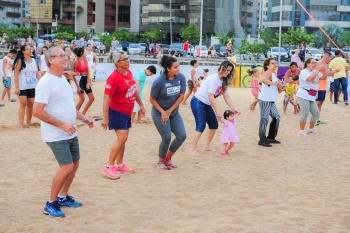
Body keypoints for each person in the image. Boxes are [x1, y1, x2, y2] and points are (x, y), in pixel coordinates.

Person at [33, 46, 94, 218]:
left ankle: (63, 197)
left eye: (64, 55)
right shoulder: (46, 82)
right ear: (50, 60)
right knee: (66, 166)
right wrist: (62, 125)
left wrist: (84, 117)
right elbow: (37, 111)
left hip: (70, 131)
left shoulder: (63, 78)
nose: (65, 58)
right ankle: (50, 203)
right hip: (56, 134)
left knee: (74, 165)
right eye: (60, 56)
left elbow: (67, 107)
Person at [101, 52, 145, 179]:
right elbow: (106, 97)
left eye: (128, 58)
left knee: (124, 139)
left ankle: (120, 165)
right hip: (117, 111)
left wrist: (141, 105)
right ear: (117, 63)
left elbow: (134, 91)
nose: (128, 61)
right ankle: (109, 166)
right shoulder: (113, 77)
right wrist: (105, 117)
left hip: (127, 110)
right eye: (124, 59)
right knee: (121, 138)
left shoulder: (129, 73)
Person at [189, 60, 240, 155]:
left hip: (206, 103)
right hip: (198, 101)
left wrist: (234, 109)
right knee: (201, 125)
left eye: (229, 71)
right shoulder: (214, 78)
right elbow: (211, 96)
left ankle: (206, 146)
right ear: (221, 67)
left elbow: (226, 96)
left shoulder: (224, 81)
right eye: (226, 70)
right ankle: (192, 149)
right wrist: (217, 111)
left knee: (213, 125)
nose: (227, 72)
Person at [150, 55, 187, 169]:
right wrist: (163, 112)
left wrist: (170, 111)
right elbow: (152, 99)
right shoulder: (159, 82)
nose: (178, 69)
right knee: (166, 137)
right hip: (159, 113)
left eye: (178, 66)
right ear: (168, 69)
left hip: (173, 113)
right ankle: (160, 161)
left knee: (182, 135)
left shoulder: (181, 78)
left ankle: (167, 159)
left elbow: (181, 96)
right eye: (175, 67)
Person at [296, 58, 327, 136]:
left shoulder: (314, 71)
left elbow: (323, 77)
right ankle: (301, 131)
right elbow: (309, 79)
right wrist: (317, 70)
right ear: (307, 64)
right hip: (303, 94)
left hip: (311, 95)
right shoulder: (304, 72)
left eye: (315, 62)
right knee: (305, 112)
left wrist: (325, 69)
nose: (314, 64)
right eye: (312, 63)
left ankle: (310, 129)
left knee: (316, 112)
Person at [13, 45, 41, 128]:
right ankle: (21, 123)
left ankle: (28, 122)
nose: (30, 50)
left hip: (32, 85)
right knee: (23, 103)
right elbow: (16, 74)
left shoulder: (33, 60)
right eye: (27, 49)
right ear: (23, 51)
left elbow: (36, 73)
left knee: (31, 104)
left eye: (30, 49)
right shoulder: (20, 61)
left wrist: (42, 79)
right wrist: (17, 87)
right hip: (22, 86)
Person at [258, 58, 283, 147]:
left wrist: (280, 86)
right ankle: (262, 139)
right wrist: (275, 83)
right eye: (272, 63)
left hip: (271, 101)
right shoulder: (268, 72)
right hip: (265, 100)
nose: (275, 65)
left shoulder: (273, 74)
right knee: (264, 120)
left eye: (275, 63)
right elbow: (264, 80)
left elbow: (278, 91)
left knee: (277, 117)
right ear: (267, 66)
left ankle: (270, 137)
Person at [315, 52, 339, 125]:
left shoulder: (324, 64)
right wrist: (335, 71)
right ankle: (314, 119)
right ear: (326, 58)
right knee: (317, 103)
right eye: (330, 59)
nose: (330, 61)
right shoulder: (319, 63)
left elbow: (328, 73)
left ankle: (317, 119)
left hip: (323, 87)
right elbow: (326, 74)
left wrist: (334, 71)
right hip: (318, 87)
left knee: (320, 103)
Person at [73, 47, 95, 115]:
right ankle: (74, 114)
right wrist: (77, 86)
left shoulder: (85, 60)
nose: (86, 53)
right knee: (82, 99)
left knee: (92, 98)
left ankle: (83, 113)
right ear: (82, 53)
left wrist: (88, 82)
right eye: (85, 52)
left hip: (85, 79)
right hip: (79, 80)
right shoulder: (76, 61)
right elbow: (73, 75)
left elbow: (87, 71)